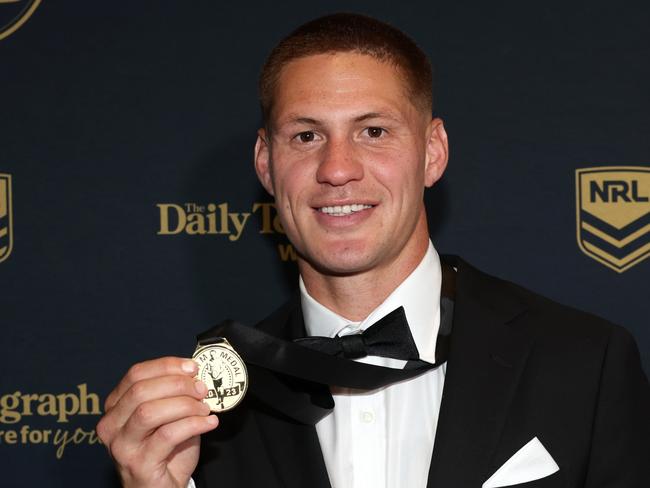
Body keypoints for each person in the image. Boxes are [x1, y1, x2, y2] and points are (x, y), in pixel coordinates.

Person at [97, 13, 650, 488]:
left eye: (374, 131)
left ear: (432, 153)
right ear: (266, 163)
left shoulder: (584, 363)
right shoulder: (202, 412)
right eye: (306, 136)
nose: (338, 169)